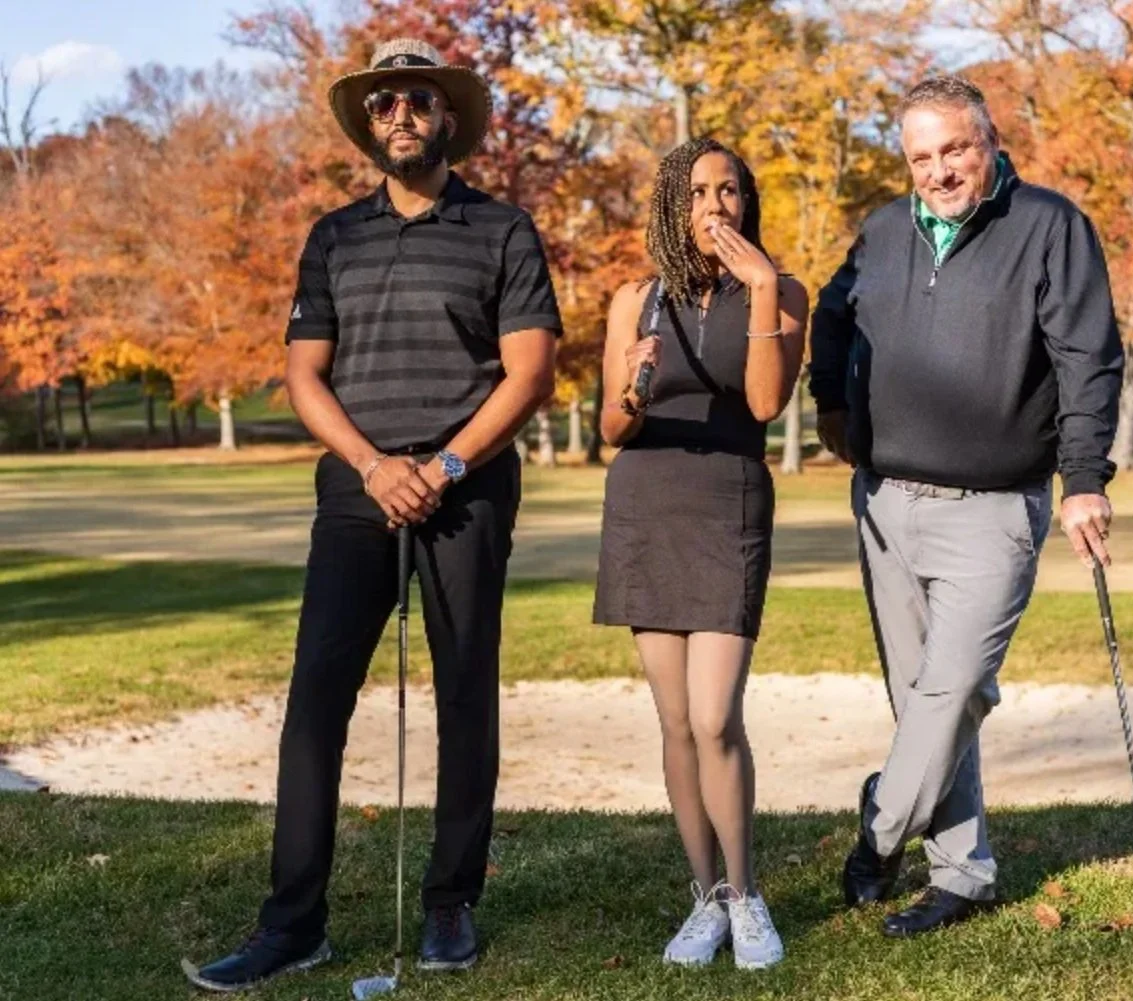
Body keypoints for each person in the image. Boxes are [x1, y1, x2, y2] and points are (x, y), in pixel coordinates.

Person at [185, 38, 562, 991]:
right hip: (357, 492)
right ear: (370, 122)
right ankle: (292, 922)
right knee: (316, 701)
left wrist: (440, 464)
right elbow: (303, 376)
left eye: (418, 100)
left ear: (446, 119)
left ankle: (448, 903)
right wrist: (372, 466)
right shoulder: (333, 237)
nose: (401, 113)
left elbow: (531, 371)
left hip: (465, 491)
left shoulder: (505, 228)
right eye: (385, 102)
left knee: (466, 696)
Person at [808, 75, 1124, 938]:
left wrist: (1085, 477)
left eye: (955, 148)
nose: (940, 170)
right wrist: (831, 405)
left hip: (994, 507)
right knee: (920, 701)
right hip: (884, 503)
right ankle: (961, 873)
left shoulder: (1050, 225)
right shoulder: (879, 231)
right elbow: (831, 318)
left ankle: (880, 829)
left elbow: (1087, 359)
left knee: (950, 695)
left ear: (989, 140)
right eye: (922, 156)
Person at [593, 138, 808, 969]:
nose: (715, 206)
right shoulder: (633, 300)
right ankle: (706, 895)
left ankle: (747, 894)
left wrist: (757, 286)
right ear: (672, 209)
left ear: (747, 204)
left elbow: (763, 401)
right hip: (646, 507)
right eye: (698, 193)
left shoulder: (782, 292)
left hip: (728, 504)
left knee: (718, 716)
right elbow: (611, 431)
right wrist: (630, 383)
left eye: (729, 191)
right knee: (677, 722)